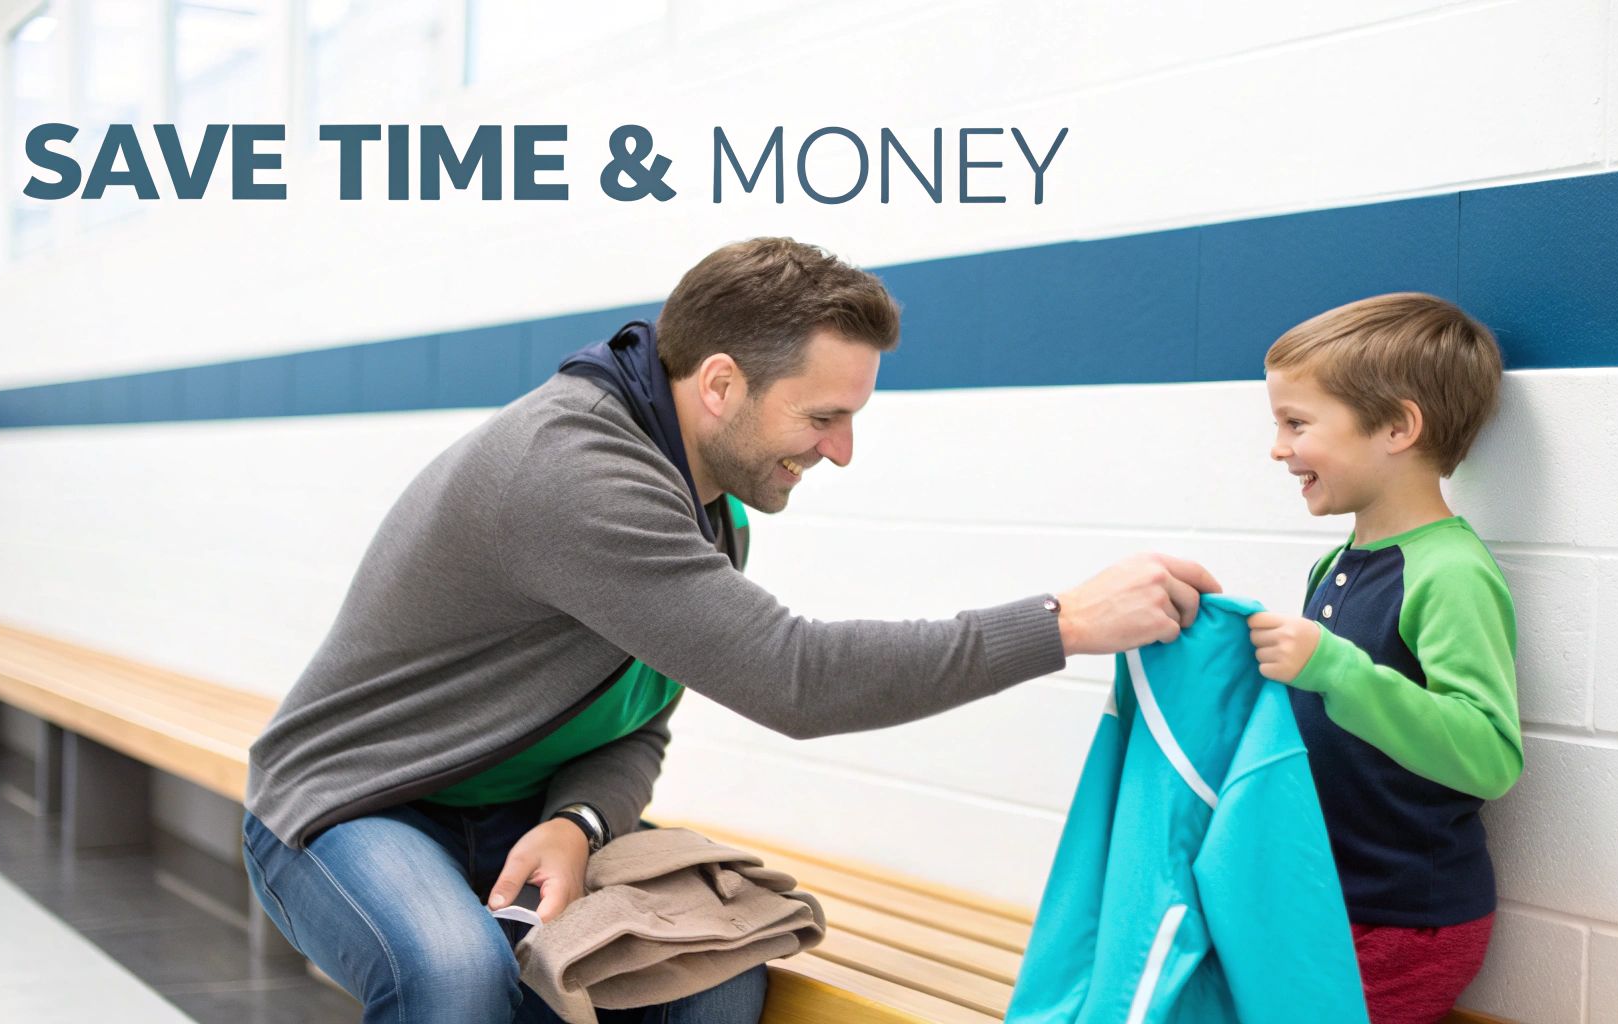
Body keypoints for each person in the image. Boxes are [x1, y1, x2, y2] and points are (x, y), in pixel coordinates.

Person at [240, 237, 1222, 1023]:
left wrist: (579, 822)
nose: (841, 451)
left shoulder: (706, 505)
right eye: (823, 417)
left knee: (710, 978)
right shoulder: (578, 474)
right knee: (452, 976)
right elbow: (796, 679)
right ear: (719, 385)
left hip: (523, 817)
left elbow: (635, 717)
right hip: (358, 805)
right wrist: (1064, 623)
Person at [1245, 293, 1524, 1024]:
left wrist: (1333, 669)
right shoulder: (1339, 564)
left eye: (1296, 423)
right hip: (1329, 903)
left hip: (1404, 924)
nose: (1278, 448)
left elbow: (1490, 755)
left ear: (1398, 426)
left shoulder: (1450, 571)